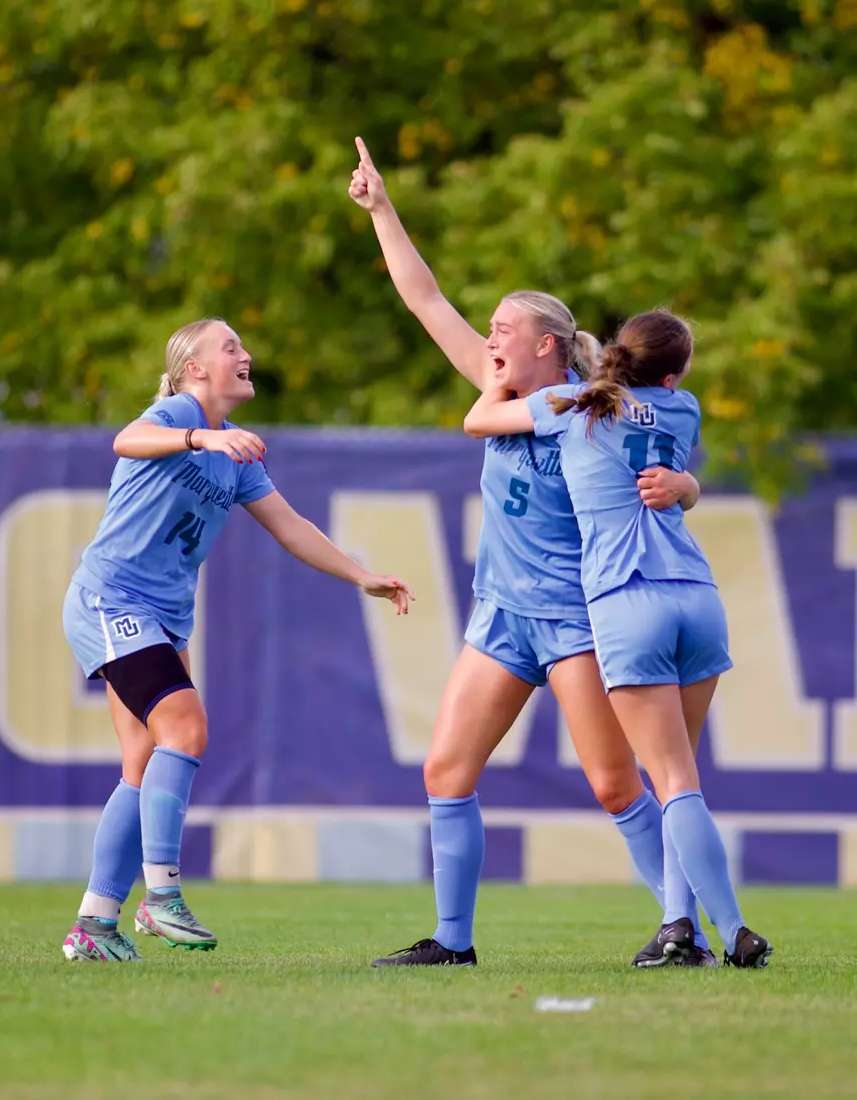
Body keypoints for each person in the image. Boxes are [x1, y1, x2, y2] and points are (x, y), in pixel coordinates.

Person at [349, 138, 714, 968]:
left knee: (618, 785)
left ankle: (681, 925)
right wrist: (382, 211)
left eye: (505, 329)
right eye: (492, 330)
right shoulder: (503, 386)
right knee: (446, 769)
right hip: (503, 614)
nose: (489, 338)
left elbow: (667, 484)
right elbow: (425, 298)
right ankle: (452, 941)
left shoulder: (590, 407)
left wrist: (687, 489)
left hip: (578, 617)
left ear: (549, 344)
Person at [61, 317, 415, 962]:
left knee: (140, 767)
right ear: (195, 368)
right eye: (231, 347)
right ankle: (161, 896)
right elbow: (127, 438)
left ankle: (94, 923)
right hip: (112, 599)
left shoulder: (234, 450)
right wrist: (195, 436)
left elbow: (290, 527)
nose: (246, 354)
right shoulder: (180, 412)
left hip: (163, 615)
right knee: (187, 730)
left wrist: (361, 574)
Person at [464, 310, 773, 968]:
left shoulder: (566, 404)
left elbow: (478, 422)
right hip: (695, 593)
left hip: (627, 601)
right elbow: (672, 472)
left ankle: (735, 928)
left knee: (672, 783)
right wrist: (687, 487)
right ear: (673, 372)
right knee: (680, 779)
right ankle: (675, 926)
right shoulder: (683, 408)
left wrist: (496, 376)